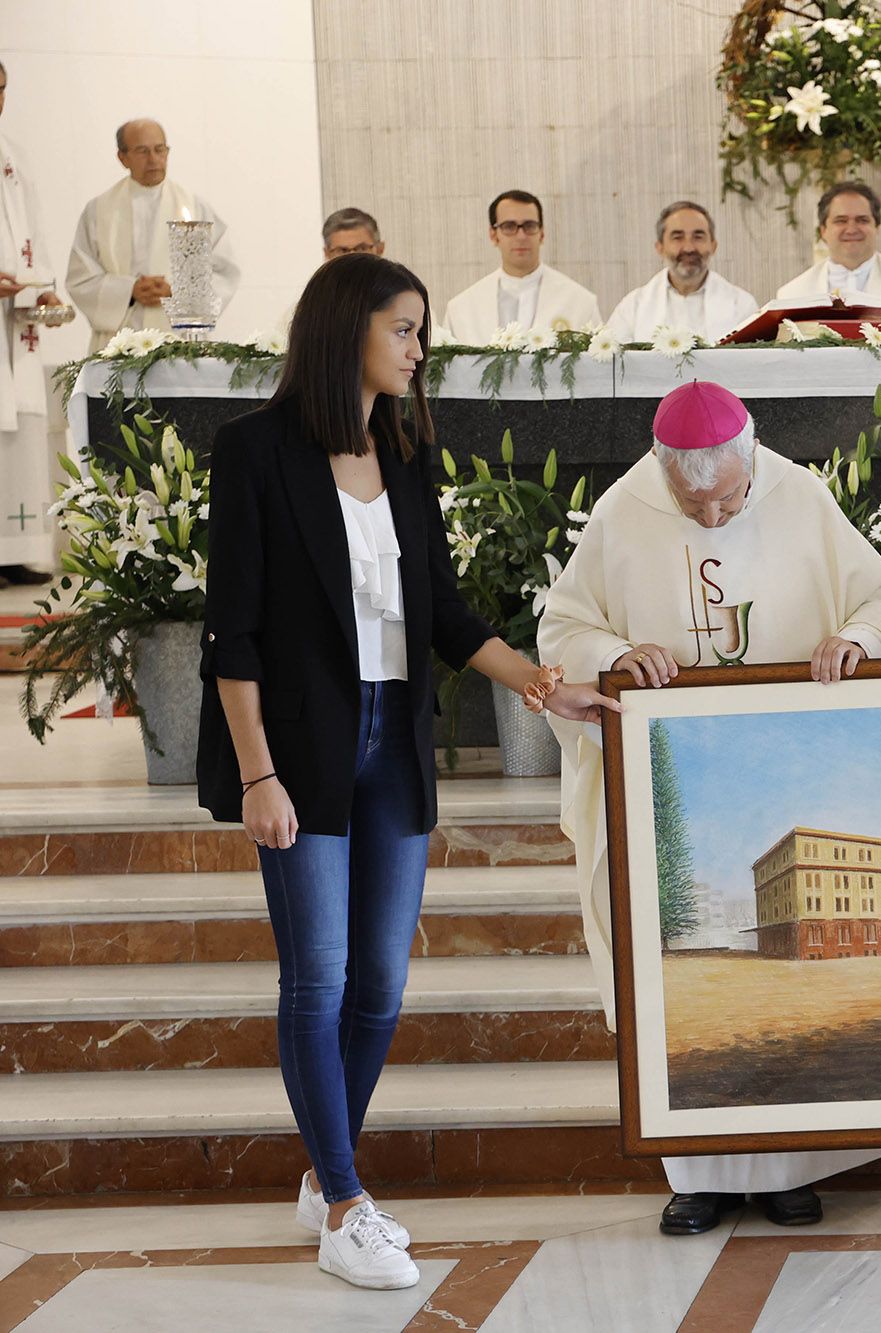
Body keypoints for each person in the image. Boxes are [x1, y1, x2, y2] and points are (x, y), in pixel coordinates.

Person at [196, 253, 616, 1291]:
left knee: (380, 983)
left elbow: (447, 614)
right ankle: (344, 1201)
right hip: (298, 748)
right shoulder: (253, 454)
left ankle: (323, 1172)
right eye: (406, 329)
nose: (421, 349)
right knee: (319, 975)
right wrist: (257, 776)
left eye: (422, 330)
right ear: (350, 334)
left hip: (394, 742)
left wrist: (540, 685)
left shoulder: (406, 455)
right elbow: (232, 634)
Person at [537, 380, 881, 1236]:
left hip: (777, 770)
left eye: (728, 499)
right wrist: (619, 650)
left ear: (752, 460)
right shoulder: (624, 510)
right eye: (691, 502)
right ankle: (696, 1170)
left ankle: (790, 1168)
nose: (712, 519)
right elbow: (562, 631)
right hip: (668, 781)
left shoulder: (801, 495)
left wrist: (854, 640)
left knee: (783, 1006)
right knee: (666, 970)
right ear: (665, 473)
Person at [65, 117, 240, 352]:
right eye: (142, 151)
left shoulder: (195, 207)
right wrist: (129, 291)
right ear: (122, 157)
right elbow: (81, 278)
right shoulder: (98, 210)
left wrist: (176, 291)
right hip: (119, 344)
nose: (154, 159)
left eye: (160, 149)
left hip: (177, 342)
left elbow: (224, 271)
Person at [0, 59, 62, 583]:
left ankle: (17, 551)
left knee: (20, 433)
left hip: (15, 326)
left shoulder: (13, 160)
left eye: (0, 90)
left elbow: (33, 239)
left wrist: (44, 286)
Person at [440, 190, 601, 342]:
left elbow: (598, 367)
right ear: (494, 235)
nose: (521, 236)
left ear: (542, 233)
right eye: (509, 226)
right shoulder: (461, 309)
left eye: (529, 226)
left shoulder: (580, 302)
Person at [604, 201, 758, 343]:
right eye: (678, 237)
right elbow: (611, 364)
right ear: (660, 247)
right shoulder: (632, 307)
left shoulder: (742, 305)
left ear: (713, 245)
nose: (689, 248)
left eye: (698, 237)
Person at [774, 180, 881, 303]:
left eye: (862, 220)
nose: (851, 229)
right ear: (823, 230)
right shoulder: (791, 295)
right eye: (841, 221)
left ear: (877, 227)